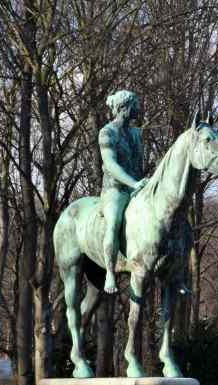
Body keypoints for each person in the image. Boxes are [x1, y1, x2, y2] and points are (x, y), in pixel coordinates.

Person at [98, 90, 147, 293]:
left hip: (137, 188)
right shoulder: (107, 132)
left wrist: (144, 184)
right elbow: (110, 165)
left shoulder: (136, 133)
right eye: (134, 105)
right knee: (113, 223)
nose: (137, 108)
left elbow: (138, 163)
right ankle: (110, 272)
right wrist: (133, 183)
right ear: (122, 108)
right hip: (115, 190)